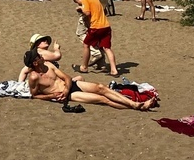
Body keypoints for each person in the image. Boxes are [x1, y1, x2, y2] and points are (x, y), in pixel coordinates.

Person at [22, 41, 154, 111]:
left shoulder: (49, 65)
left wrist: (67, 87)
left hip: (70, 86)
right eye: (39, 56)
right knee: (103, 99)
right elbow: (35, 95)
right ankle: (136, 107)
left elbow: (67, 77)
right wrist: (52, 96)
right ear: (35, 62)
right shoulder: (34, 77)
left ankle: (134, 104)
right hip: (68, 95)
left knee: (101, 87)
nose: (41, 56)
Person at [73, 0, 117, 78]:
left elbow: (87, 12)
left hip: (96, 26)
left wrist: (81, 8)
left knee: (86, 44)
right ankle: (114, 70)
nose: (79, 4)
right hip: (106, 25)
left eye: (78, 2)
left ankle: (84, 67)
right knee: (107, 48)